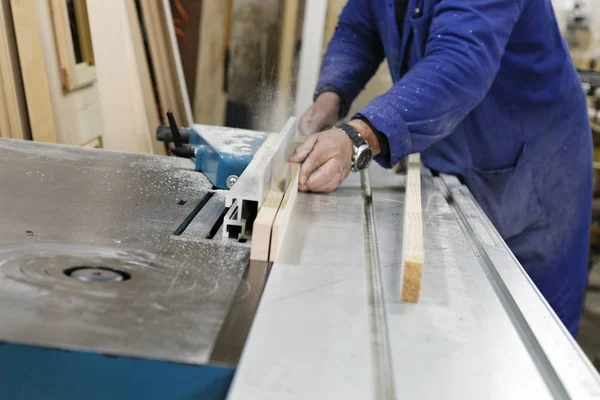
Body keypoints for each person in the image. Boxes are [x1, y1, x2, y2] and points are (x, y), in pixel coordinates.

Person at [289, 0, 592, 336]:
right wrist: (329, 99)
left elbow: (461, 61)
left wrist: (358, 138)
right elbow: (361, 29)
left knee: (531, 334)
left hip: (534, 165)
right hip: (457, 148)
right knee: (454, 323)